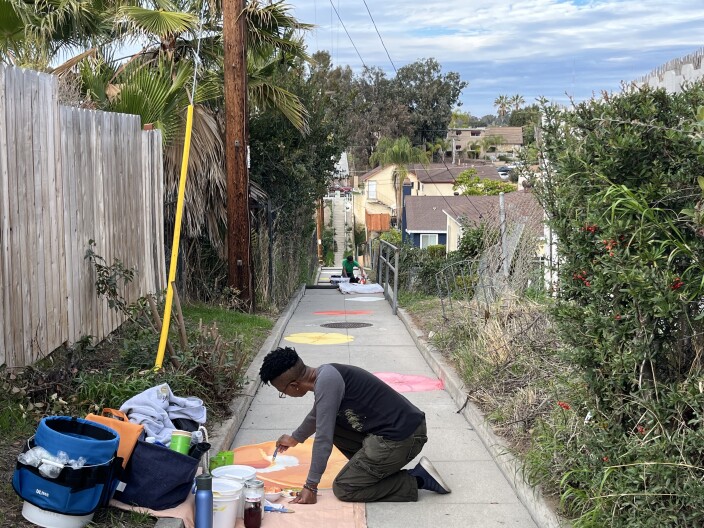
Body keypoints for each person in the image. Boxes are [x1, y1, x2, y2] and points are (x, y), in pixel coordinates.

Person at [259, 346, 451, 504]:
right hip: (400, 431)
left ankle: (419, 479)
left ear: (294, 385)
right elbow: (319, 415)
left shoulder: (327, 382)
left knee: (344, 488)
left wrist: (311, 486)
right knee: (333, 424)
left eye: (282, 391)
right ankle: (369, 472)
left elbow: (323, 438)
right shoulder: (325, 374)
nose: (285, 394)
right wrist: (295, 438)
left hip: (402, 438)